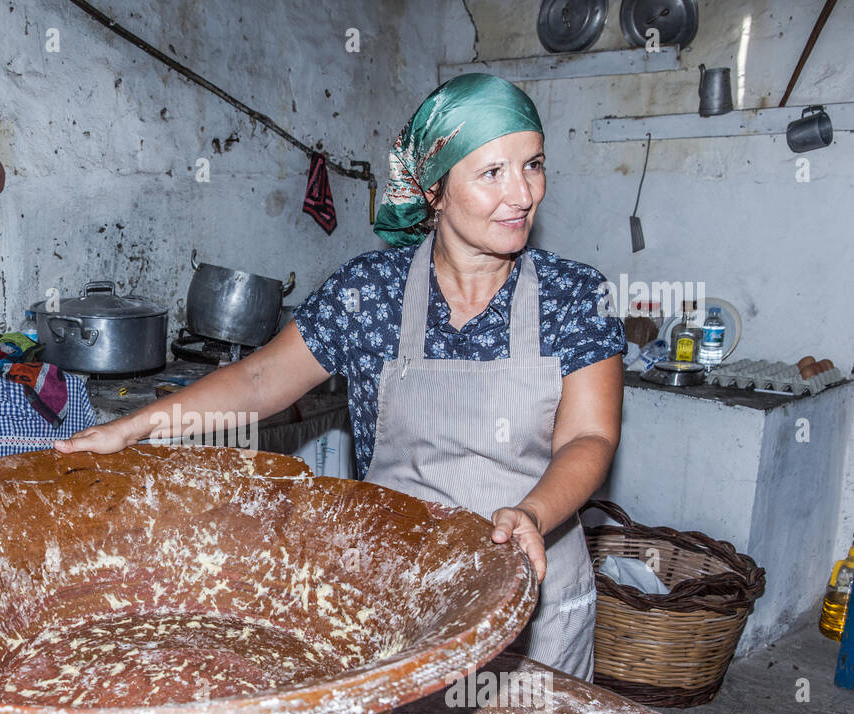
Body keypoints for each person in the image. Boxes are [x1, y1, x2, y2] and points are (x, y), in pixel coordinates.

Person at [56, 73, 624, 681]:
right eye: (492, 173)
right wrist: (136, 428)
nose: (522, 194)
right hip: (401, 591)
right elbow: (260, 380)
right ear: (434, 189)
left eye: (532, 165)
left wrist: (534, 513)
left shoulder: (574, 295)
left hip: (534, 593)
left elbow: (589, 438)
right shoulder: (368, 292)